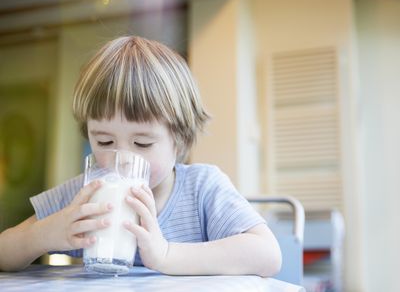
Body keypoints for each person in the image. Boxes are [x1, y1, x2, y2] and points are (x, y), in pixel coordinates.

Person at [0, 36, 281, 276]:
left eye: (143, 143)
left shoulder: (201, 190)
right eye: (105, 140)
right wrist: (40, 236)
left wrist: (167, 254)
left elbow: (268, 254)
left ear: (180, 139)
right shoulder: (85, 196)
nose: (120, 158)